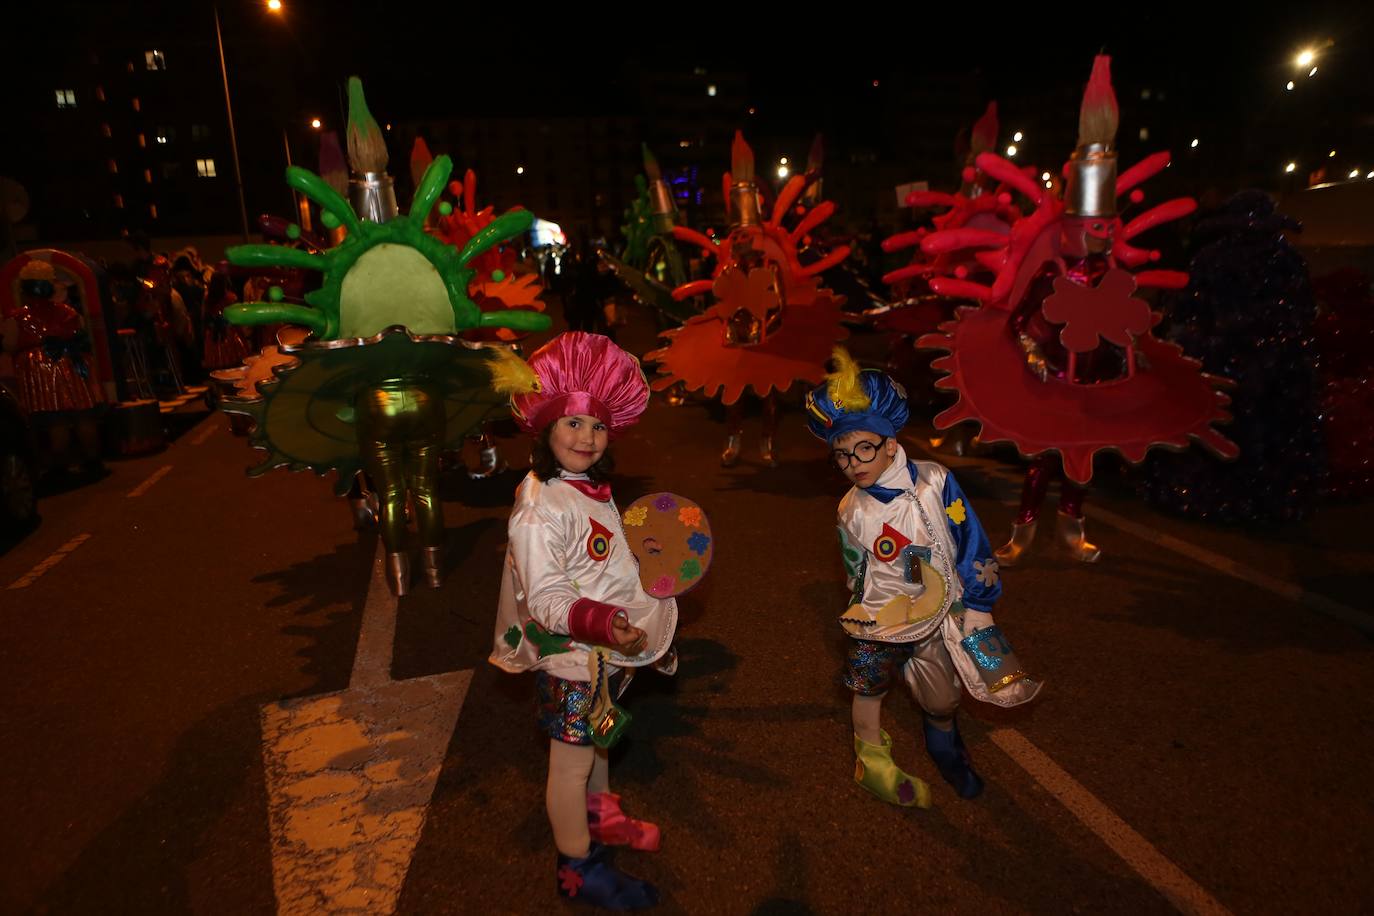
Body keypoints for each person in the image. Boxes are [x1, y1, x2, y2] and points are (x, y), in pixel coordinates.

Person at [805, 348, 1040, 808]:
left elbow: (967, 532)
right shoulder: (850, 509)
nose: (854, 462)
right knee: (866, 680)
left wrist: (978, 599)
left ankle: (947, 750)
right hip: (886, 613)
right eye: (842, 456)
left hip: (949, 606)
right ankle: (870, 757)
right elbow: (856, 569)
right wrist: (865, 615)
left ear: (890, 443)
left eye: (864, 448)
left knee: (944, 701)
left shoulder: (935, 481)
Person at [489, 332, 675, 910]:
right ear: (545, 428)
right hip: (571, 653)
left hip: (604, 647)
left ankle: (602, 811)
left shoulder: (585, 489)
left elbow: (609, 560)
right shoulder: (541, 505)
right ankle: (577, 866)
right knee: (569, 763)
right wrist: (606, 622)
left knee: (598, 732)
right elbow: (544, 596)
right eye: (572, 424)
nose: (586, 438)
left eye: (597, 427)